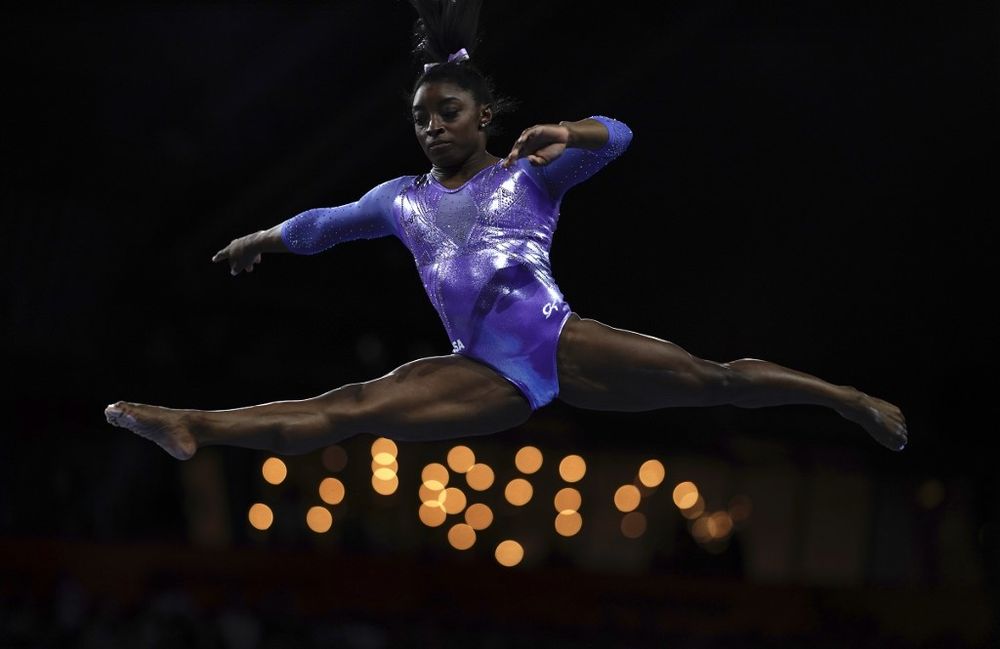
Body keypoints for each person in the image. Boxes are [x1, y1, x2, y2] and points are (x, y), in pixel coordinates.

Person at [105, 0, 907, 460]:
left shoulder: (527, 169)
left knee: (716, 379)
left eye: (446, 113)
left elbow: (621, 134)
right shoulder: (400, 198)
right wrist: (261, 238)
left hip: (559, 340)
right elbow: (323, 225)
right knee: (350, 404)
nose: (431, 128)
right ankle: (190, 425)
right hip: (484, 373)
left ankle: (846, 399)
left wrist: (570, 130)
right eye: (419, 119)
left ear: (481, 114)